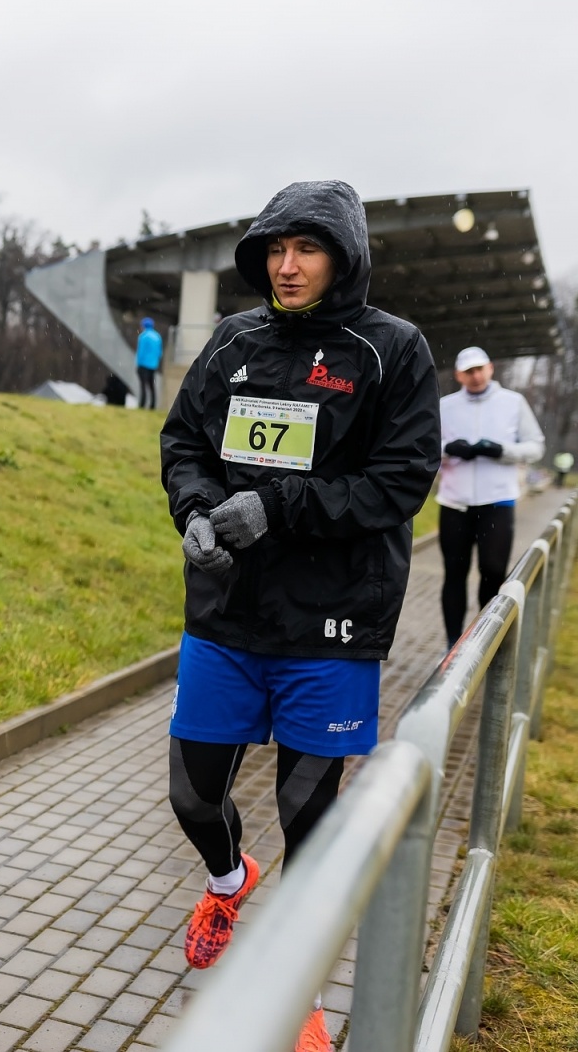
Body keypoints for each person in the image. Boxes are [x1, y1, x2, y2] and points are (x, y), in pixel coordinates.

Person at [160, 180, 440, 1052]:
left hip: (332, 628)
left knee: (308, 823)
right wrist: (195, 510)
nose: (286, 267)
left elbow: (399, 482)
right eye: (275, 250)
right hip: (225, 616)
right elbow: (184, 443)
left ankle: (301, 996)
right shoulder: (233, 339)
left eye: (307, 249)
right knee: (191, 796)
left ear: (344, 257)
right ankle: (227, 880)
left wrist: (279, 507)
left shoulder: (393, 349)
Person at [437, 345, 544, 645]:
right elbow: (424, 446)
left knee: (494, 571)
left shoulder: (513, 402)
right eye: (468, 372)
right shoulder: (445, 406)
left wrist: (501, 450)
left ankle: (485, 642)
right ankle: (452, 644)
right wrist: (448, 449)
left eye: (479, 369)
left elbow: (536, 447)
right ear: (458, 375)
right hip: (454, 502)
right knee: (454, 573)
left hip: (497, 502)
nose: (475, 376)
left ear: (490, 368)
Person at [136, 316, 163, 409]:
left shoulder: (143, 336)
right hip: (153, 365)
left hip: (143, 364)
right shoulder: (157, 336)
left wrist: (138, 364)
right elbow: (160, 353)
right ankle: (153, 404)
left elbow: (141, 352)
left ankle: (142, 403)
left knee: (143, 385)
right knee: (151, 385)